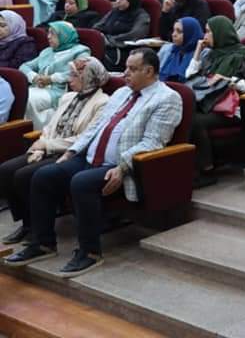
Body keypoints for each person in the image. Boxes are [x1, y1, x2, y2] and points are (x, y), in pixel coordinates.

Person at [5, 48, 182, 276]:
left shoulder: (167, 98)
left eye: (132, 69)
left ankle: (90, 252)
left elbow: (153, 142)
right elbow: (95, 128)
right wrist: (71, 152)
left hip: (119, 165)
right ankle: (42, 243)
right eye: (126, 68)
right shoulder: (121, 93)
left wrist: (122, 167)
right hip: (89, 157)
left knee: (81, 182)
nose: (125, 73)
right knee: (44, 175)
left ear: (149, 71)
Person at [0, 57, 110, 244]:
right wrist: (41, 145)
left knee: (23, 175)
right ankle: (27, 224)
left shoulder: (103, 102)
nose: (69, 79)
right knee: (6, 170)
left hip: (71, 153)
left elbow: (86, 137)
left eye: (74, 75)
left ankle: (38, 228)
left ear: (88, 78)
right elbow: (50, 127)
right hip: (48, 147)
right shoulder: (68, 97)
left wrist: (47, 145)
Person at [186, 17, 245, 183]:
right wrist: (197, 52)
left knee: (194, 121)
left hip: (230, 109)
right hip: (208, 103)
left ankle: (206, 170)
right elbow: (190, 79)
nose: (204, 36)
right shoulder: (210, 54)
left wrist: (230, 81)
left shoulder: (242, 54)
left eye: (208, 31)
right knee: (184, 115)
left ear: (220, 32)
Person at [20, 22, 91, 130]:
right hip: (38, 87)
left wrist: (52, 79)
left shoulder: (81, 51)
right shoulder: (47, 51)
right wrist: (34, 77)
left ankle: (36, 132)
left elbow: (81, 71)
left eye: (53, 33)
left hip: (60, 91)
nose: (48, 37)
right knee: (18, 95)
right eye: (48, 33)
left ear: (64, 35)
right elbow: (24, 66)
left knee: (27, 99)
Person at [92, 0, 151, 71]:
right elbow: (98, 26)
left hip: (125, 50)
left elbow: (135, 34)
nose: (118, 1)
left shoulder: (142, 15)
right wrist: (98, 36)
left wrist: (109, 40)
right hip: (106, 45)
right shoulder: (114, 12)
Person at [158, 17, 204, 82]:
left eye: (179, 31)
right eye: (173, 30)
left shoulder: (201, 53)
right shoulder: (168, 49)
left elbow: (190, 78)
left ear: (189, 33)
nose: (173, 34)